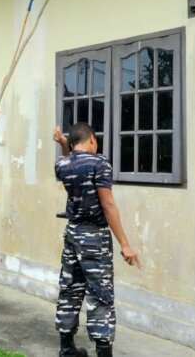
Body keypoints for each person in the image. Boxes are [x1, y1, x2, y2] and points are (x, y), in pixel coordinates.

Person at [52, 123, 140, 357]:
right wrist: (125, 244)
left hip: (72, 233)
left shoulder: (62, 164)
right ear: (91, 138)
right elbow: (108, 204)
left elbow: (70, 164)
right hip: (94, 237)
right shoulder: (99, 163)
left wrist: (63, 144)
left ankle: (66, 348)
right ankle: (103, 352)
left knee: (70, 288)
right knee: (100, 293)